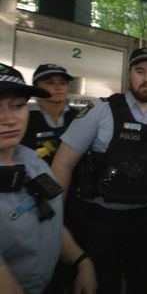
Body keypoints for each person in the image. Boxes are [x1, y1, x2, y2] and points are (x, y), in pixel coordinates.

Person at [51, 48, 147, 294]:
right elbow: (63, 165)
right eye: (140, 71)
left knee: (144, 285)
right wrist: (55, 220)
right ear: (129, 74)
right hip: (101, 223)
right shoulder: (99, 111)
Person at [0, 63, 96, 294]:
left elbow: (49, 216)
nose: (9, 119)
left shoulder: (33, 161)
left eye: (18, 106)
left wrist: (81, 260)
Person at [21, 64, 78, 164]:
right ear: (37, 87)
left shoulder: (78, 117)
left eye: (63, 83)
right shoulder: (24, 117)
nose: (58, 87)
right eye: (50, 82)